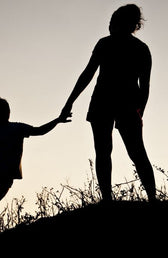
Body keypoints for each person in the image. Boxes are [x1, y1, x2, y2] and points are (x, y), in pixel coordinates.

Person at [60, 4, 156, 202]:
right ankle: (143, 199)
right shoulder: (138, 49)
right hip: (116, 104)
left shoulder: (110, 44)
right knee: (128, 152)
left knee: (114, 152)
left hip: (112, 103)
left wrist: (70, 102)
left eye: (113, 22)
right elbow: (144, 87)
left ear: (126, 24)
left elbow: (88, 74)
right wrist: (140, 112)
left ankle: (113, 199)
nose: (110, 26)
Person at [0, 97, 70, 234]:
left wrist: (57, 120)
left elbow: (39, 131)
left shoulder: (17, 128)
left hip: (7, 174)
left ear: (2, 114)